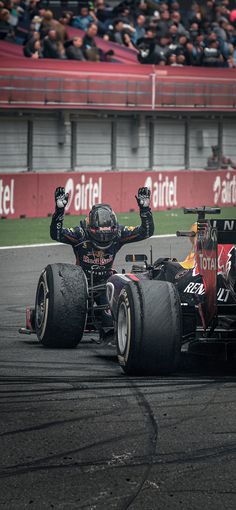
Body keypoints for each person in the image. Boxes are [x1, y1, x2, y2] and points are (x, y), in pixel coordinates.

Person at [50, 186, 154, 338]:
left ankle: (109, 331)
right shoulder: (80, 234)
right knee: (69, 320)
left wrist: (145, 210)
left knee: (109, 319)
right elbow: (56, 234)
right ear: (90, 227)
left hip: (105, 284)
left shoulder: (119, 233)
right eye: (99, 234)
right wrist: (59, 211)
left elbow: (146, 232)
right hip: (79, 283)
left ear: (113, 227)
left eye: (107, 234)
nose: (103, 238)